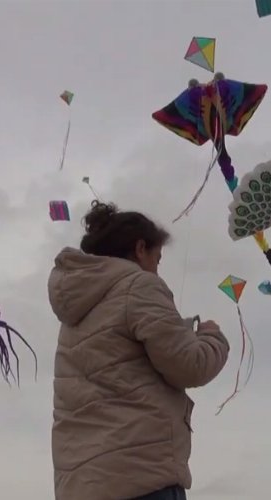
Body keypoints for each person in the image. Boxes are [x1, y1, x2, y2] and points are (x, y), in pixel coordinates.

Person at [48, 200, 230, 500]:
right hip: (141, 480)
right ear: (140, 249)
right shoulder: (140, 286)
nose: (157, 271)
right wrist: (212, 336)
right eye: (157, 259)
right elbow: (190, 365)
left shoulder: (74, 315)